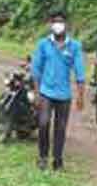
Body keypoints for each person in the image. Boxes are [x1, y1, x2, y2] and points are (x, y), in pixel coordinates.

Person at [31, 9, 85, 171]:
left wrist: (81, 95)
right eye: (55, 22)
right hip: (46, 92)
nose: (58, 25)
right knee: (43, 123)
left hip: (64, 95)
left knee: (60, 128)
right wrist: (37, 92)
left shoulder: (74, 46)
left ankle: (58, 160)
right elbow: (36, 69)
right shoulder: (43, 44)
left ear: (66, 25)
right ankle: (42, 157)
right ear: (50, 25)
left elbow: (80, 71)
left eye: (61, 22)